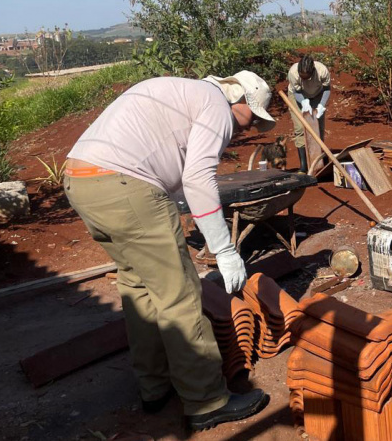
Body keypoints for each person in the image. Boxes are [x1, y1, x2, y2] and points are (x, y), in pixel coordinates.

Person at [63, 70, 276, 431]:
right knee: (179, 295)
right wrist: (224, 249)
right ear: (239, 100)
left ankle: (155, 385)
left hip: (81, 180)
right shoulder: (215, 106)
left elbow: (169, 166)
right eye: (252, 118)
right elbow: (197, 178)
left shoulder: (182, 92)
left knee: (138, 285)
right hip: (124, 184)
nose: (250, 128)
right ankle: (207, 400)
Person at [287, 55, 330, 172]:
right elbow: (297, 92)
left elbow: (327, 89)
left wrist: (321, 105)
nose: (304, 79)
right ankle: (303, 166)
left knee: (317, 128)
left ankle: (318, 162)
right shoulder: (293, 73)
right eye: (302, 77)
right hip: (298, 96)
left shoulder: (322, 71)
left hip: (317, 95)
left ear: (313, 71)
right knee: (300, 128)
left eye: (307, 77)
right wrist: (304, 102)